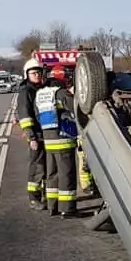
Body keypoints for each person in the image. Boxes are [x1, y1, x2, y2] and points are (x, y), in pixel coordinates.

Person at [36, 65, 78, 216]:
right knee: (66, 174)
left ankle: (52, 205)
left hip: (48, 141)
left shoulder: (40, 94)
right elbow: (75, 108)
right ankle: (67, 209)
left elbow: (37, 115)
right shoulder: (61, 93)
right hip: (63, 139)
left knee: (52, 174)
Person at [17, 58, 47, 211]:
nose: (37, 75)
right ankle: (34, 198)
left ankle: (44, 195)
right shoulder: (26, 92)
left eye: (39, 72)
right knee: (37, 167)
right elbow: (24, 116)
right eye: (34, 73)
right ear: (27, 74)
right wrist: (31, 137)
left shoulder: (39, 89)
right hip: (36, 135)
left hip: (45, 133)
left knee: (46, 166)